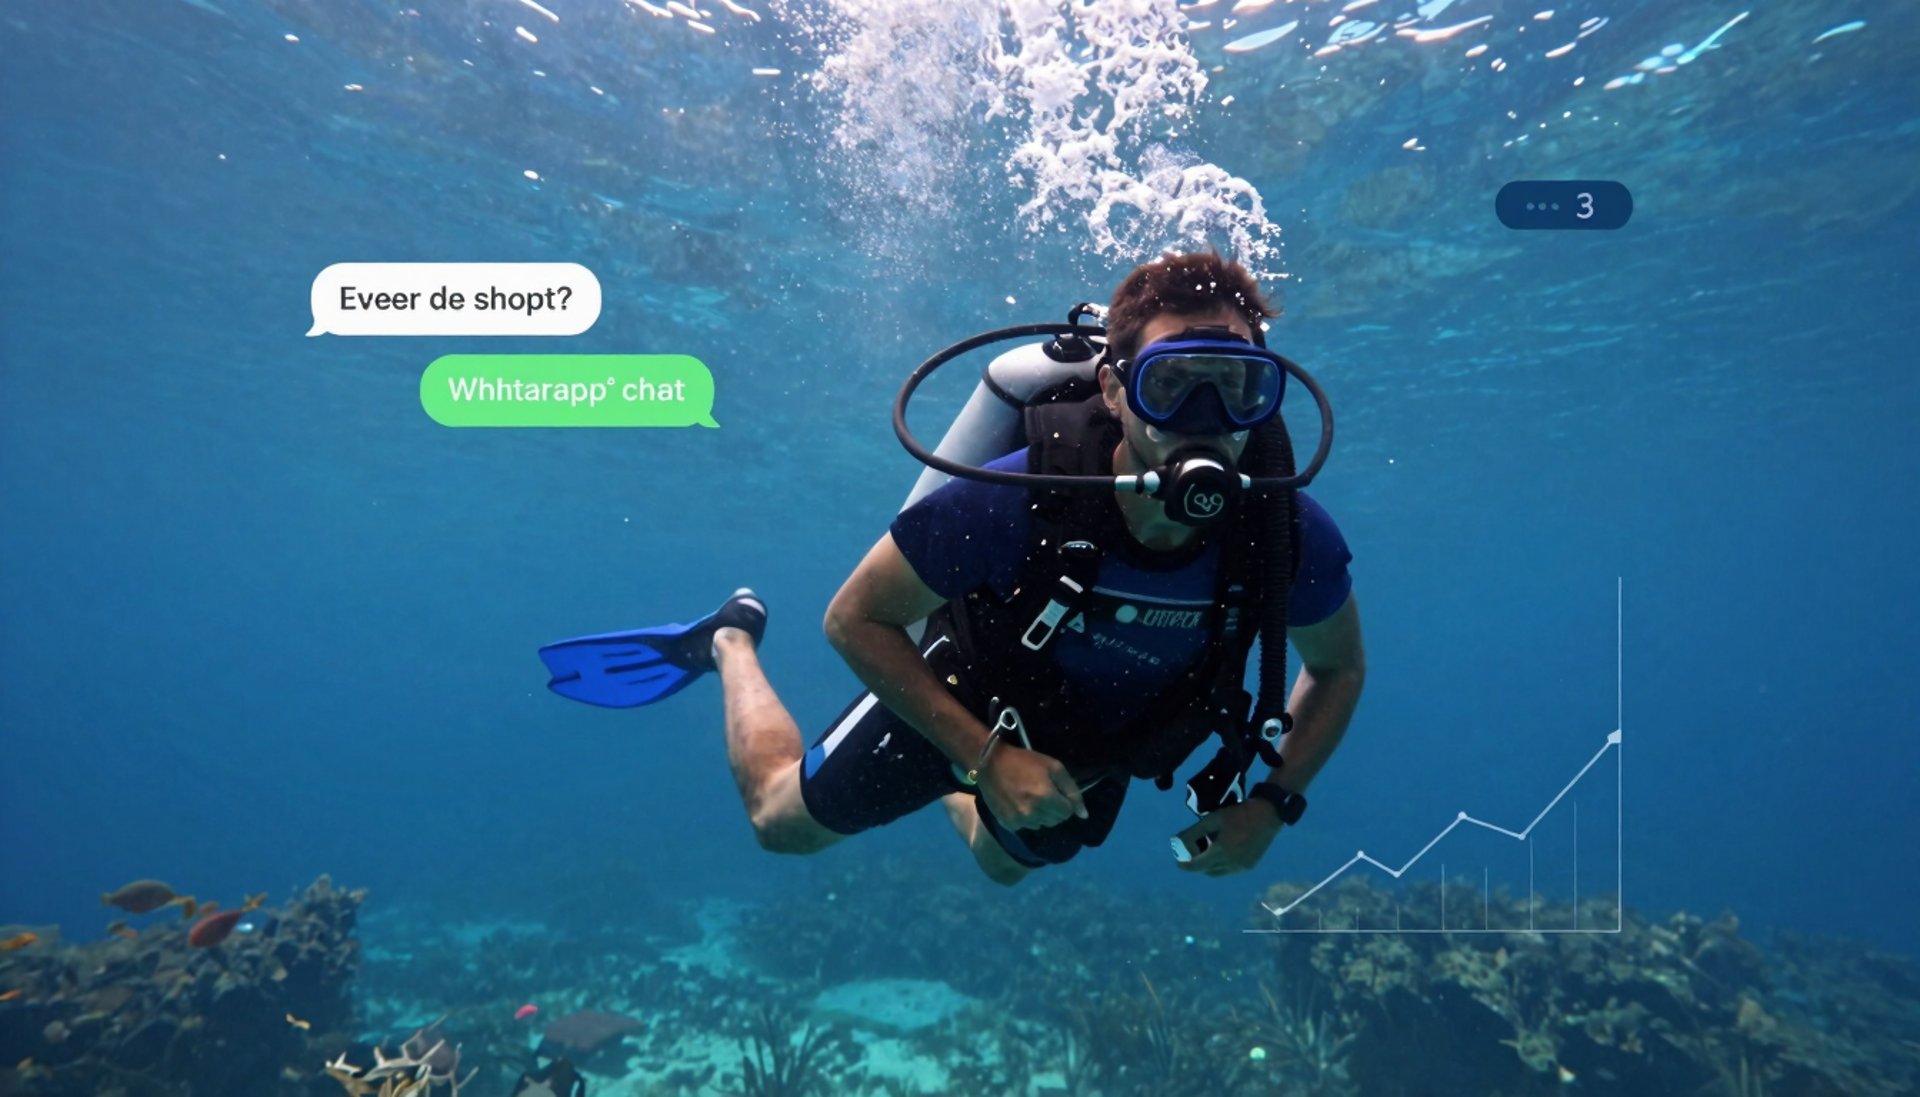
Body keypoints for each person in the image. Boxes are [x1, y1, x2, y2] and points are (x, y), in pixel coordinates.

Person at [542, 251, 1364, 885]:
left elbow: (1338, 666)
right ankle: (730, 640)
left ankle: (964, 782)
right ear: (1114, 391)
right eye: (1173, 384)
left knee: (1003, 865)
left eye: (1238, 387)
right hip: (960, 688)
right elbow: (853, 618)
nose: (1206, 419)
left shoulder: (1287, 535)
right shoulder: (1019, 497)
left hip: (1090, 741)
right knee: (778, 822)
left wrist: (1273, 802)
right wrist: (987, 757)